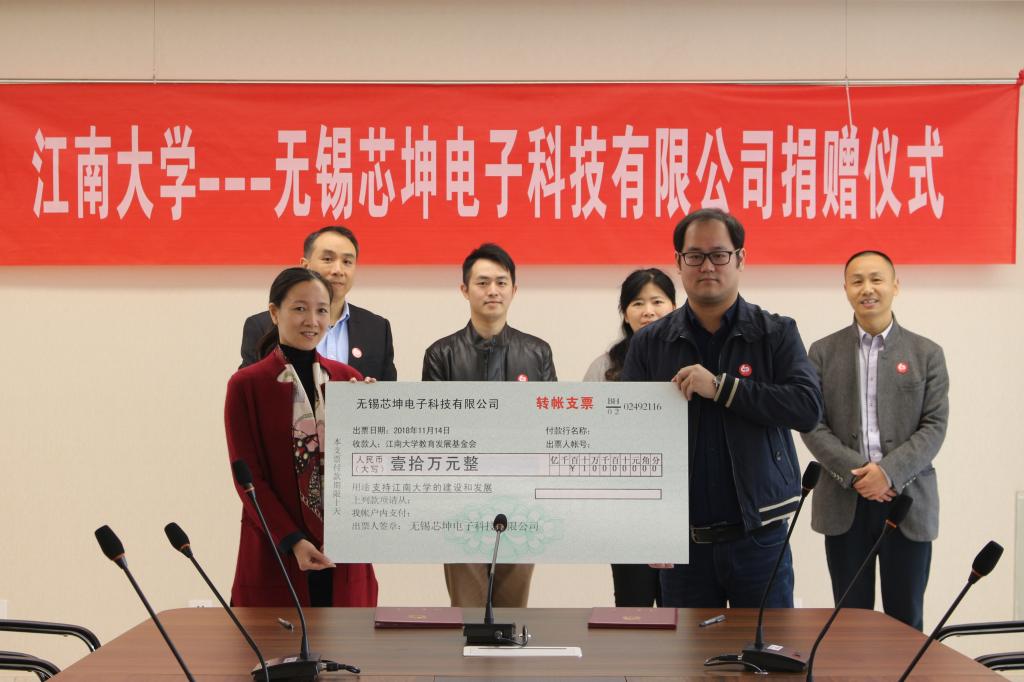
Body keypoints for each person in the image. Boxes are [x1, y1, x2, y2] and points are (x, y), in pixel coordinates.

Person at [622, 207, 822, 608]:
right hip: (683, 543)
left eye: (719, 254)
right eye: (695, 256)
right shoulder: (650, 343)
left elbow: (807, 407)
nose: (707, 266)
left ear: (740, 258)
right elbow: (630, 436)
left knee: (767, 646)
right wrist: (648, 525)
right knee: (687, 649)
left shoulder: (775, 333)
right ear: (679, 262)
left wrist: (722, 388)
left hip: (760, 537)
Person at [801, 250, 948, 631]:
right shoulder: (822, 352)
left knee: (906, 622)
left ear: (895, 286)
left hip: (907, 501)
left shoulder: (926, 353)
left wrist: (888, 473)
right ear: (846, 289)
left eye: (877, 279)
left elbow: (934, 426)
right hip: (845, 501)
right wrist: (859, 474)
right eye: (857, 281)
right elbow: (812, 423)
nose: (867, 289)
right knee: (849, 624)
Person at [226, 267, 378, 607]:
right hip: (277, 550)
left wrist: (373, 419)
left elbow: (367, 470)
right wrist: (292, 540)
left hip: (342, 554)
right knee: (277, 640)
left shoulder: (348, 380)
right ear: (274, 312)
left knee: (346, 639)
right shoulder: (247, 385)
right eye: (299, 308)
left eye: (322, 310)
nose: (312, 320)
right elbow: (248, 479)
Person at [422, 243, 557, 608]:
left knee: (513, 608)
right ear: (464, 289)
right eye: (482, 282)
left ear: (514, 289)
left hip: (522, 496)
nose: (493, 290)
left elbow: (550, 425)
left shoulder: (538, 352)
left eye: (501, 282)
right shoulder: (441, 354)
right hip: (460, 498)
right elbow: (434, 431)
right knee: (467, 609)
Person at [583, 268, 676, 607]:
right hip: (627, 509)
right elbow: (587, 438)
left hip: (683, 508)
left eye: (657, 301)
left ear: (674, 306)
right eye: (637, 303)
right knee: (632, 608)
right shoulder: (604, 368)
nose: (648, 311)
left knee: (682, 610)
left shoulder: (693, 359)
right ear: (625, 313)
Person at [239, 225, 397, 380]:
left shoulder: (377, 329)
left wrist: (368, 392)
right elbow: (249, 389)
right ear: (305, 266)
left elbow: (389, 393)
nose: (338, 270)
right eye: (328, 259)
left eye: (347, 262)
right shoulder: (262, 326)